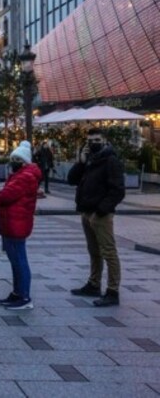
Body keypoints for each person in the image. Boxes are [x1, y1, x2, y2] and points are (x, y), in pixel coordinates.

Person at [67, 128, 126, 307]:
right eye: (90, 140)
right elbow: (71, 179)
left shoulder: (111, 160)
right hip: (86, 211)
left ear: (104, 140)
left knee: (109, 252)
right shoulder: (90, 160)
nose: (93, 143)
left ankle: (112, 291)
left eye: (97, 140)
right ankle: (94, 284)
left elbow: (118, 190)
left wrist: (101, 211)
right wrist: (80, 162)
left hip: (100, 214)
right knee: (94, 251)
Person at [0, 141, 41, 310]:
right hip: (12, 222)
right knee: (16, 260)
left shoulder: (25, 176)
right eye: (13, 158)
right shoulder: (20, 175)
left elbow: (6, 197)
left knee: (19, 260)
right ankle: (17, 292)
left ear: (24, 161)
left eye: (17, 159)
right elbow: (4, 194)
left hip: (16, 224)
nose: (13, 161)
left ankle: (24, 296)